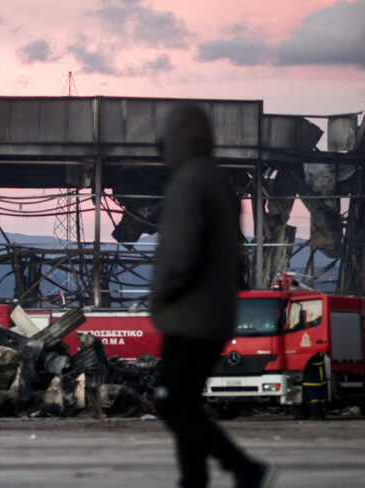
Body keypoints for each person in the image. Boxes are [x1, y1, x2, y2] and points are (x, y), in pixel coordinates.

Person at [151, 104, 274, 488]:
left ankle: (242, 467)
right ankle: (194, 479)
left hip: (189, 314)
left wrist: (162, 293)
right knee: (185, 402)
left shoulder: (188, 181)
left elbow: (180, 251)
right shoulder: (217, 180)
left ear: (176, 138)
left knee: (172, 401)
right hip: (214, 313)